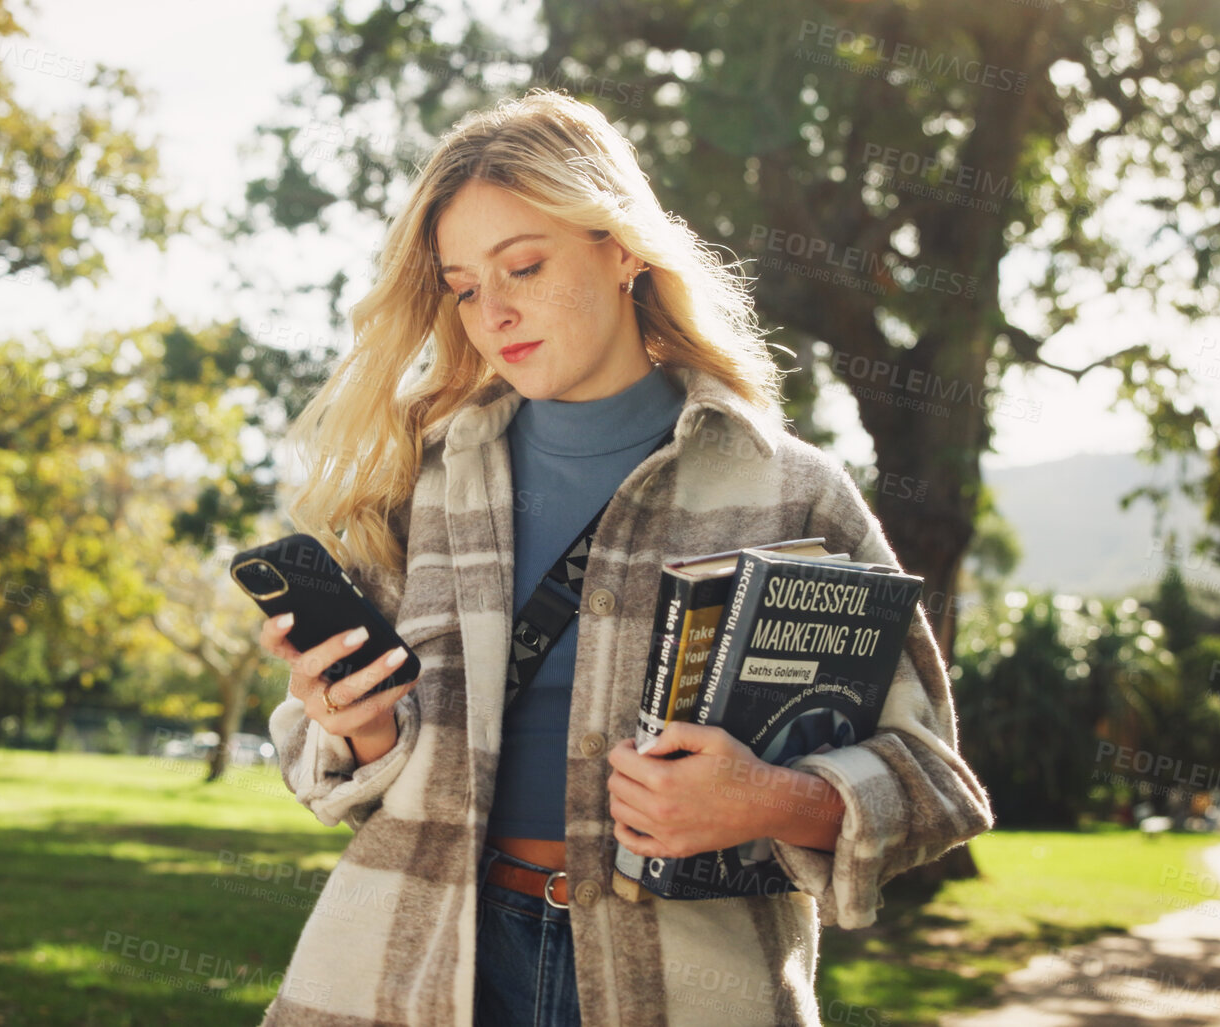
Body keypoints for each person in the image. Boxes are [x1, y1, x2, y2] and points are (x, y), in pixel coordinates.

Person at [252, 88, 993, 1026]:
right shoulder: (419, 485)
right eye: (467, 287)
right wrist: (349, 722)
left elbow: (931, 782)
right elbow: (337, 770)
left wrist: (766, 798)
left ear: (623, 248)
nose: (496, 313)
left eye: (524, 265)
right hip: (416, 968)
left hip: (684, 990)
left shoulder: (789, 491)